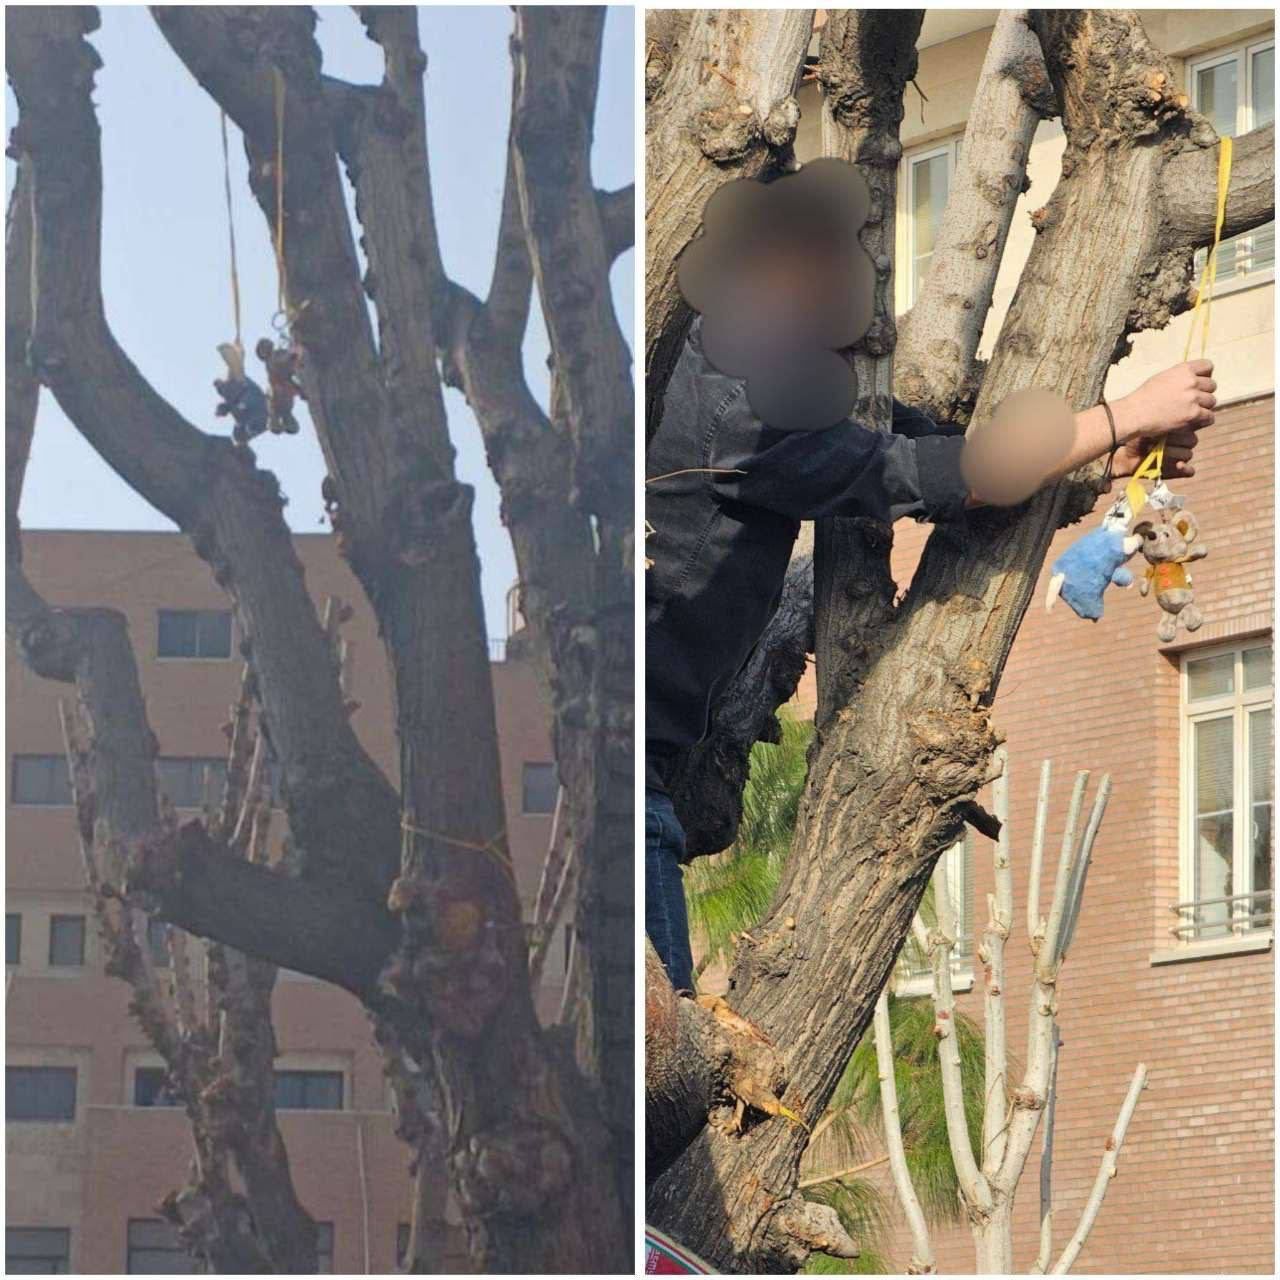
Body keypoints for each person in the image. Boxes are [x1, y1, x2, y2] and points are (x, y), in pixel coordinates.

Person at [645, 294, 1216, 994]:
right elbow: (959, 473)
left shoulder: (724, 365)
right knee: (657, 1067)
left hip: (637, 755)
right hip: (619, 773)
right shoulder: (739, 409)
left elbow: (919, 446)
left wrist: (1100, 452)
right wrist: (1125, 414)